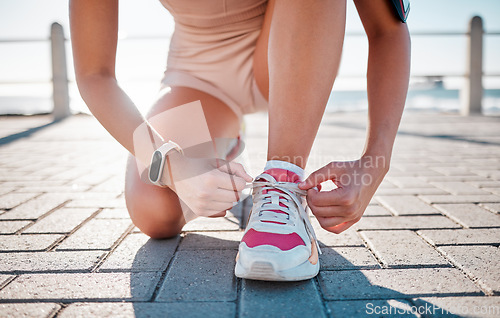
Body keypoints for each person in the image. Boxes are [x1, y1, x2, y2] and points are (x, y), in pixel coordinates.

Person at [70, 0, 410, 281]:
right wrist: (174, 167)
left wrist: (374, 163)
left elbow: (386, 28)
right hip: (199, 75)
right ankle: (229, 143)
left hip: (297, 51)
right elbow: (93, 75)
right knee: (154, 210)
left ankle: (283, 178)